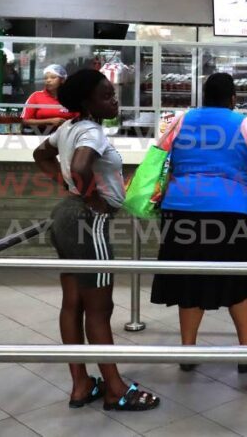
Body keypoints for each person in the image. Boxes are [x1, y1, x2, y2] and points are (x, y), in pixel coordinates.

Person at [33, 69, 159, 412]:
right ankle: (116, 388)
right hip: (89, 222)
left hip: (65, 216)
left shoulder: (67, 128)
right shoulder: (91, 132)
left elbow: (40, 155)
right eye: (106, 95)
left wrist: (69, 188)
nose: (114, 100)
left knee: (73, 303)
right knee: (100, 309)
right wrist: (90, 197)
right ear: (87, 102)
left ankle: (81, 384)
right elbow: (82, 165)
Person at [150, 73, 247, 373]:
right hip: (230, 211)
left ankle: (188, 351)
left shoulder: (181, 120)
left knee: (188, 281)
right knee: (238, 283)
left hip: (181, 209)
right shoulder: (244, 124)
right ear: (233, 98)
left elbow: (159, 156)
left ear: (203, 96)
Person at [23, 64, 77, 131]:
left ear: (62, 80)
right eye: (46, 78)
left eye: (53, 77)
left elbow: (80, 120)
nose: (48, 80)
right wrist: (49, 121)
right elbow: (24, 121)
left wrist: (67, 123)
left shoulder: (71, 97)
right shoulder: (36, 96)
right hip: (40, 136)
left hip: (67, 136)